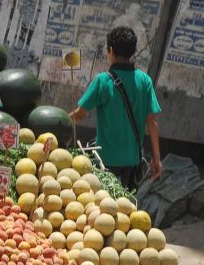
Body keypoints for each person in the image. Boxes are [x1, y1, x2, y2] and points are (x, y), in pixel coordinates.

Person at [69, 26, 162, 191]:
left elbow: (79, 115)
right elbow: (152, 122)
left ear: (110, 50)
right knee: (124, 207)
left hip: (105, 160)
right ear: (132, 51)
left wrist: (60, 121)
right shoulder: (145, 81)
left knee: (103, 206)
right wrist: (157, 158)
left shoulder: (103, 81)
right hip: (133, 161)